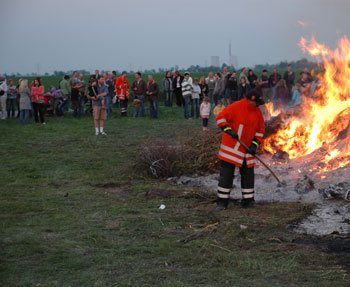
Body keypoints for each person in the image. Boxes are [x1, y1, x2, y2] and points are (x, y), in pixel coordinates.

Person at [215, 89, 265, 210]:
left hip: (247, 151)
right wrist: (228, 130)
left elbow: (260, 131)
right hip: (231, 149)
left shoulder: (257, 112)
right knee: (226, 176)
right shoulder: (236, 106)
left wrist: (254, 145)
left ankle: (248, 201)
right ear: (250, 100)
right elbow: (220, 118)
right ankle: (222, 202)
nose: (259, 105)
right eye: (256, 102)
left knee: (248, 176)